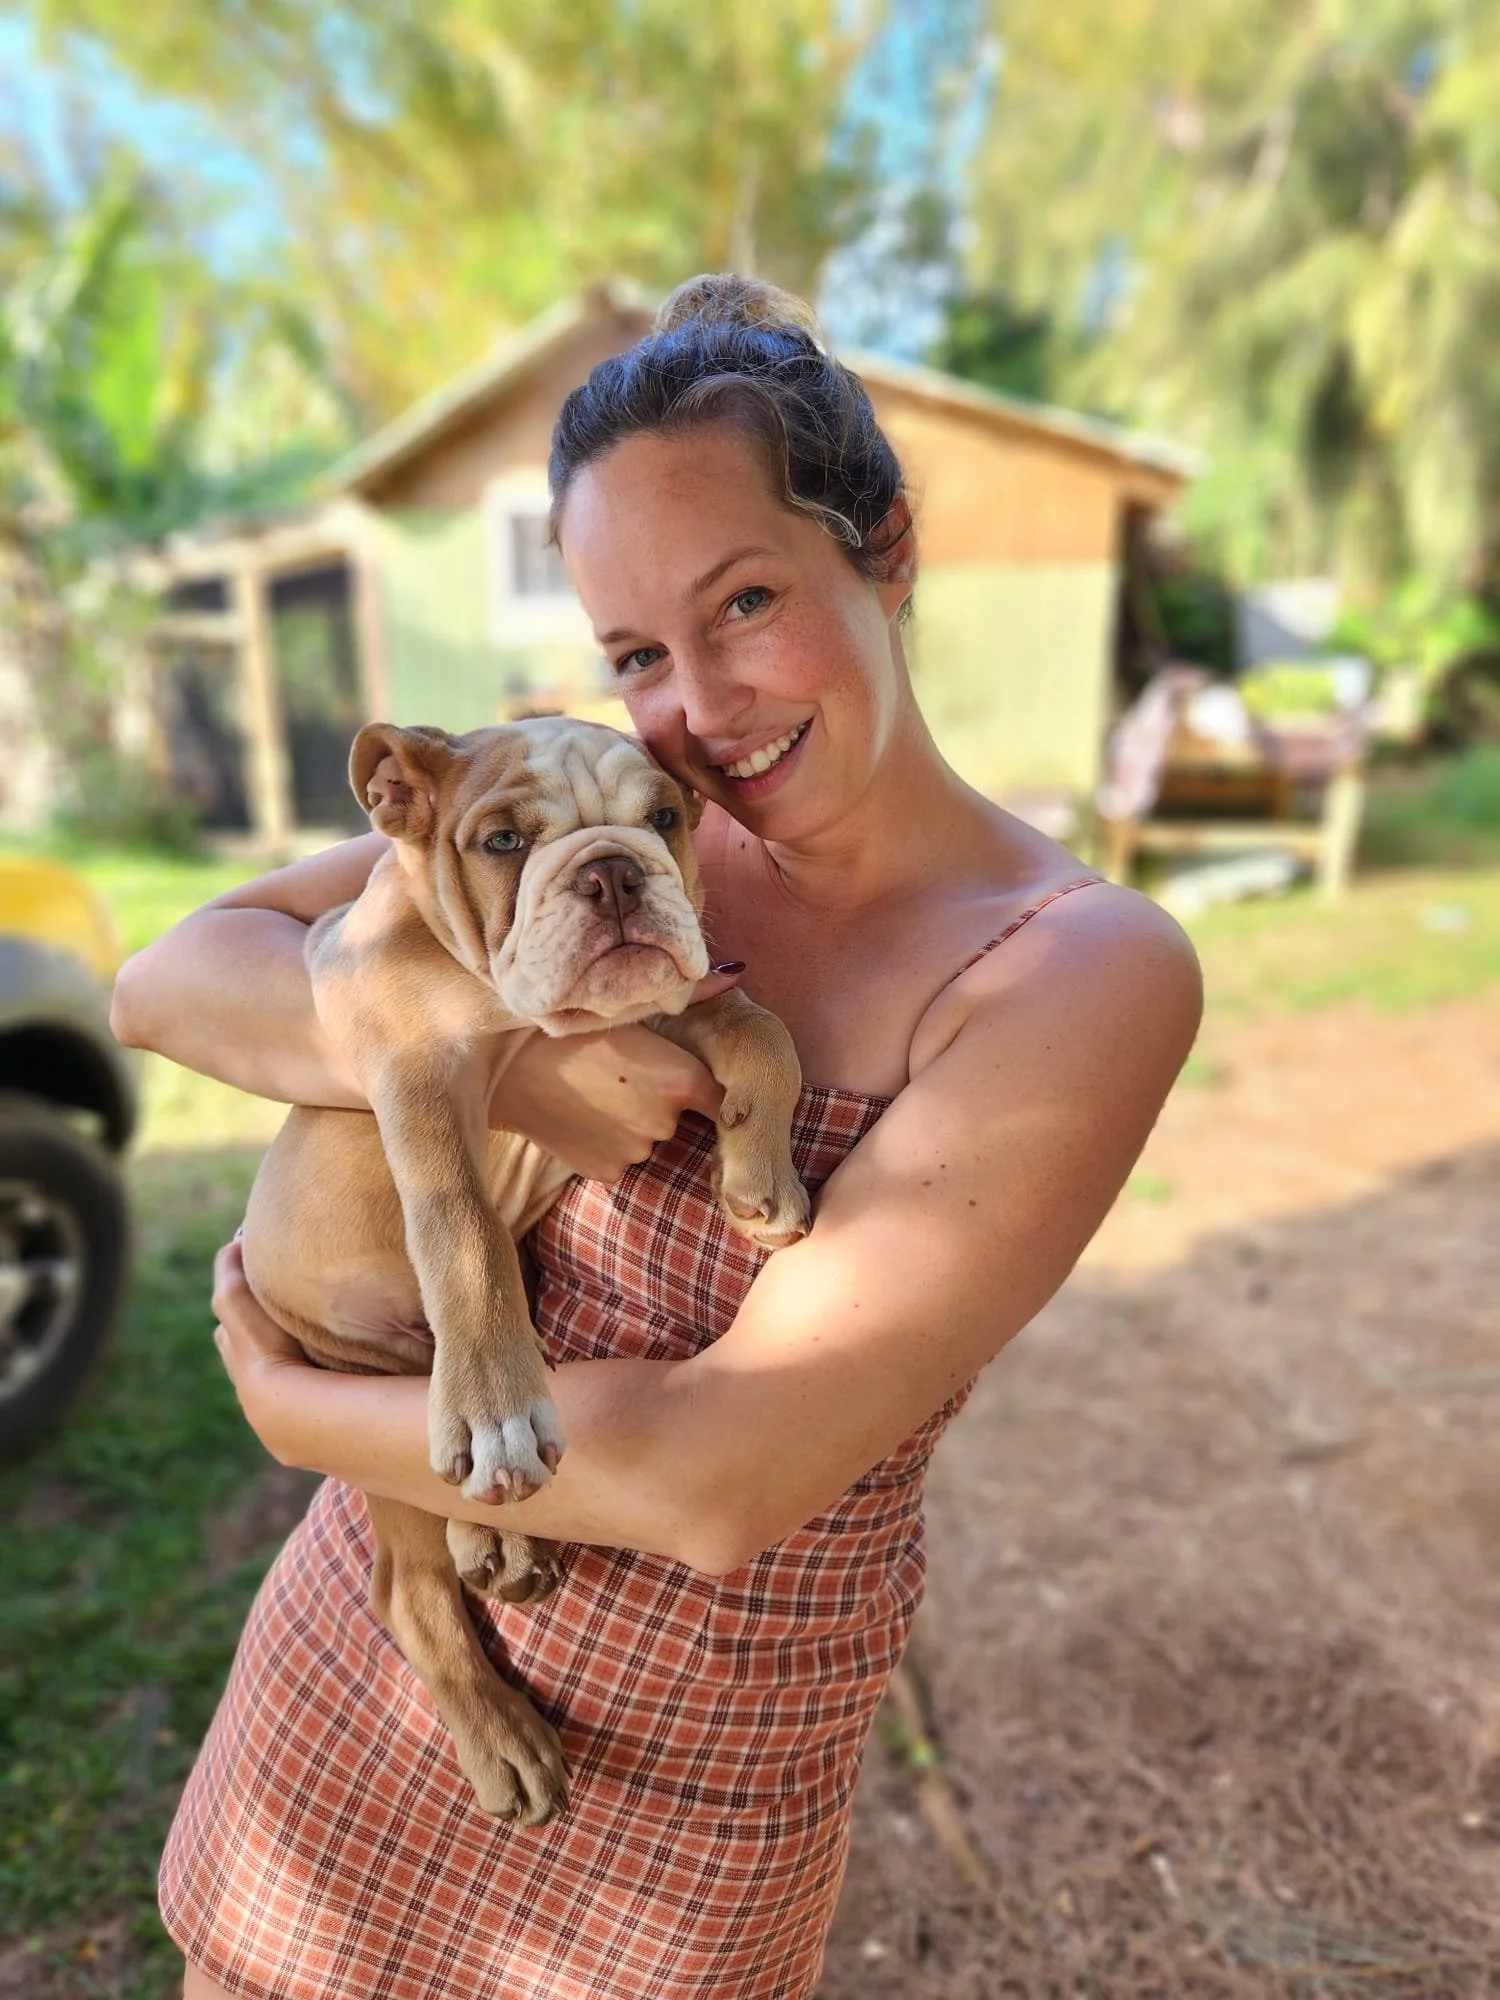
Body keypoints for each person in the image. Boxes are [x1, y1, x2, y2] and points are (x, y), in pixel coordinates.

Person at [112, 273, 1202, 2000]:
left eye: (748, 599)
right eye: (633, 652)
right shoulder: (628, 817)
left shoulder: (1078, 970)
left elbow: (714, 1479)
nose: (692, 704)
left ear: (890, 553)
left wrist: (291, 1411)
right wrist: (507, 1068)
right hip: (356, 1691)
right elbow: (169, 982)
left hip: (679, 1795)